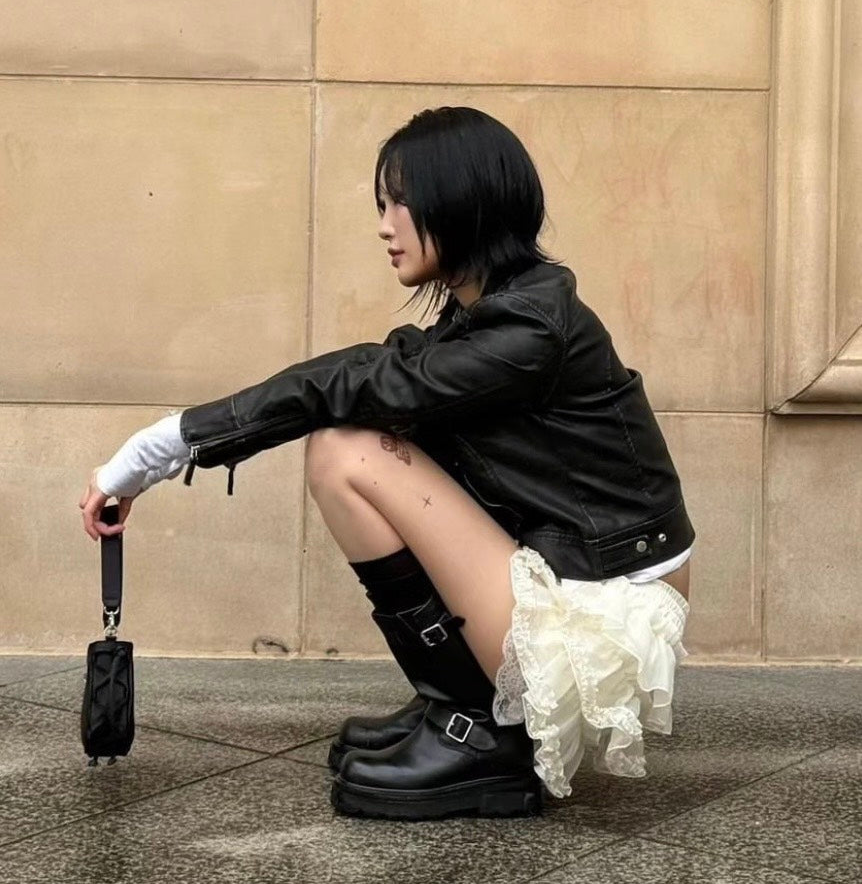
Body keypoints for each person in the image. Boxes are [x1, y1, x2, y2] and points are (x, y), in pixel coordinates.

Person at [78, 106, 694, 821]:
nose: (384, 225)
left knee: (346, 452)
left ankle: (481, 733)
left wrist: (156, 449)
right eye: (382, 205)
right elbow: (368, 374)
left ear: (460, 201)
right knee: (352, 437)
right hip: (577, 569)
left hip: (604, 610)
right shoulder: (497, 310)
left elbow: (355, 383)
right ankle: (454, 703)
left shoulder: (529, 329)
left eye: (399, 203)